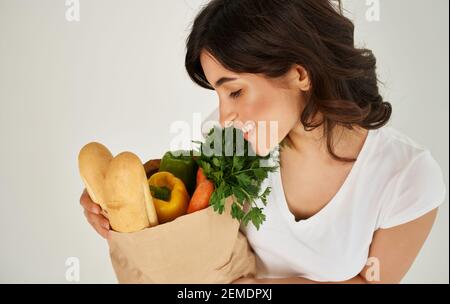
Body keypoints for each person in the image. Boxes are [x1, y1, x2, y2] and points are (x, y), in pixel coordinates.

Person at [80, 0, 446, 283]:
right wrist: (117, 204)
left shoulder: (407, 178)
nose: (224, 116)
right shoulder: (230, 140)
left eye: (235, 92)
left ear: (300, 73)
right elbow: (188, 213)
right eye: (219, 96)